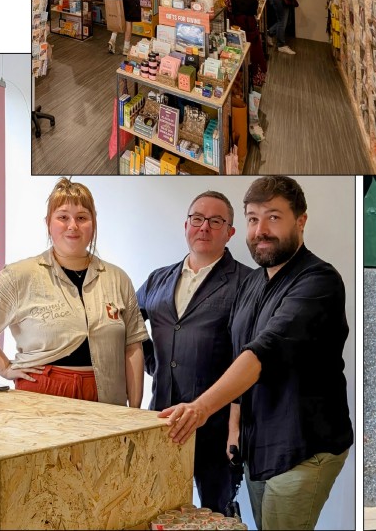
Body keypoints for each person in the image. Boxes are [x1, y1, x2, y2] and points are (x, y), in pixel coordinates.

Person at [159, 176, 353, 531]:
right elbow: (239, 353)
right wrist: (234, 428)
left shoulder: (319, 281)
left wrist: (201, 408)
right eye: (252, 218)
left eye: (274, 217)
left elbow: (265, 350)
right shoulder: (252, 282)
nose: (261, 230)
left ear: (301, 221)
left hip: (303, 447)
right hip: (258, 445)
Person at [0, 178, 147, 407]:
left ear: (93, 223)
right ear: (48, 223)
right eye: (63, 217)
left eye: (82, 217)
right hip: (42, 397)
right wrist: (4, 367)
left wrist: (136, 411)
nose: (73, 225)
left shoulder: (117, 278)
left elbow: (133, 346)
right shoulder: (21, 274)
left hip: (107, 398)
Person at [136, 191, 252, 515]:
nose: (204, 227)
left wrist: (236, 428)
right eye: (198, 219)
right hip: (161, 421)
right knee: (157, 509)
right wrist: (155, 364)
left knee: (216, 513)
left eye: (216, 221)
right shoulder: (158, 279)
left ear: (230, 232)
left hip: (215, 430)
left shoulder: (247, 283)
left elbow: (252, 359)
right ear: (186, 224)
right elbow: (128, 326)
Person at [222, 0, 268, 88]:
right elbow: (255, 3)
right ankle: (254, 80)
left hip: (236, 25)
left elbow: (228, 6)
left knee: (236, 56)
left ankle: (239, 85)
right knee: (253, 53)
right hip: (251, 24)